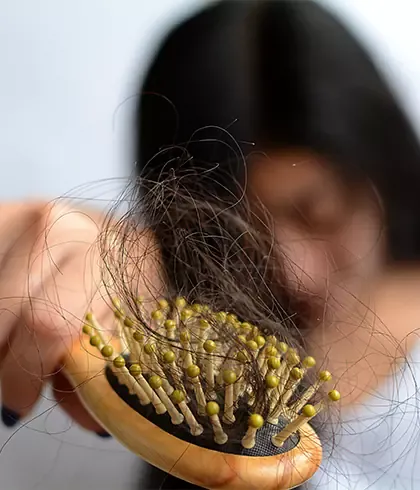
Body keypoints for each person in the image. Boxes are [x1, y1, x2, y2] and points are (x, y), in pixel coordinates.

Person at [1, 1, 420, 489]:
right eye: (235, 237)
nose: (294, 272)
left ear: (381, 167)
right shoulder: (172, 354)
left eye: (318, 211)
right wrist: (104, 265)